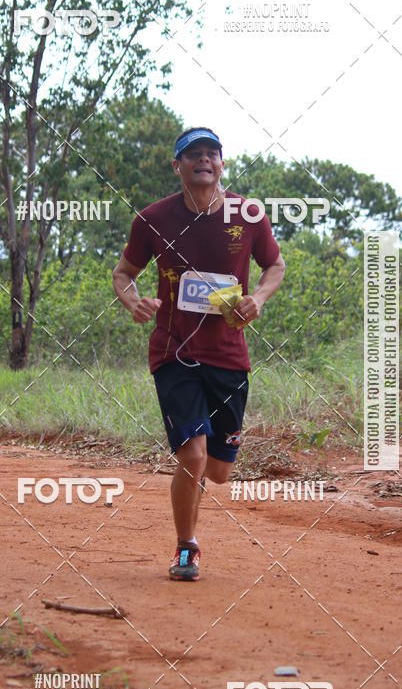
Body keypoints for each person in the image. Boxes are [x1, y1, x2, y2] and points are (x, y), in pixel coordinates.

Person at [112, 127, 285, 581]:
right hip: (174, 352)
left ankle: (198, 481)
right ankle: (186, 547)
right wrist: (134, 302)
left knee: (219, 472)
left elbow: (275, 266)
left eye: (212, 153)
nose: (203, 160)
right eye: (193, 155)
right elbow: (124, 273)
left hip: (229, 356)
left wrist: (258, 300)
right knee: (192, 454)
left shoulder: (248, 214)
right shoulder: (153, 219)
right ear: (178, 166)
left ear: (222, 164)